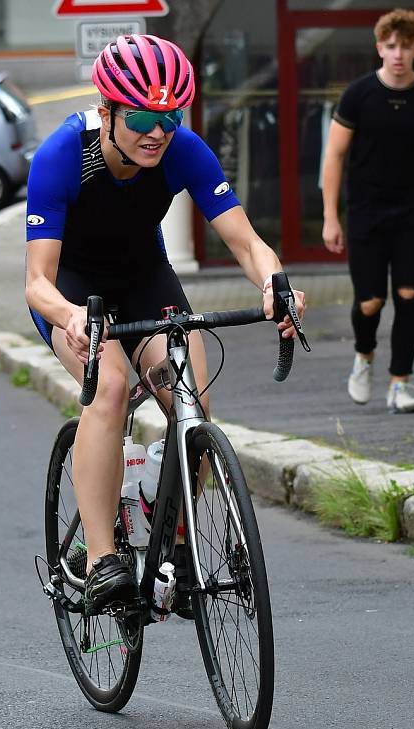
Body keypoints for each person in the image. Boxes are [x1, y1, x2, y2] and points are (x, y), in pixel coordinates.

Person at [24, 34, 305, 612]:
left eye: (170, 115)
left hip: (143, 279)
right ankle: (103, 559)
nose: (158, 130)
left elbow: (247, 243)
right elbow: (37, 282)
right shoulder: (63, 156)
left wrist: (274, 284)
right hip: (74, 292)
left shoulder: (182, 149)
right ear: (107, 112)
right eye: (143, 117)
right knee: (110, 388)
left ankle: (175, 543)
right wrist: (71, 316)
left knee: (192, 402)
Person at [321, 8, 414, 413]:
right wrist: (330, 215)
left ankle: (400, 383)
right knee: (371, 301)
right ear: (380, 47)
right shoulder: (359, 95)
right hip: (365, 210)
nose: (398, 54)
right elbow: (334, 155)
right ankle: (364, 355)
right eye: (391, 46)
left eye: (406, 46)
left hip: (413, 210)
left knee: (409, 295)